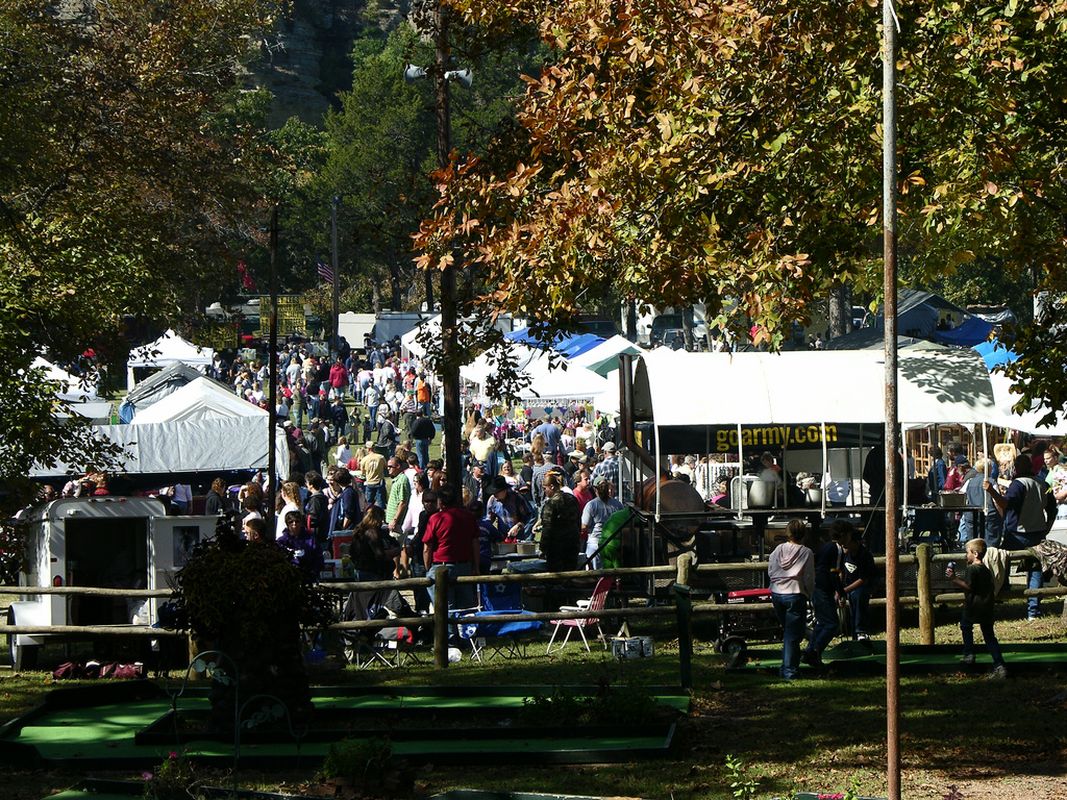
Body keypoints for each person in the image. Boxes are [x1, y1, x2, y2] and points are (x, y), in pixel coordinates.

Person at [985, 454, 1049, 620]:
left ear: (1018, 468)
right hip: (1038, 532)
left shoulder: (1018, 484)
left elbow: (1006, 504)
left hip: (1018, 533)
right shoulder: (1042, 483)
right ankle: (1033, 611)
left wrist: (992, 491)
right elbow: (1052, 509)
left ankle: (1000, 592)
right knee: (1035, 570)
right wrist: (1047, 527)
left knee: (1001, 560)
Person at [946, 538, 1007, 679]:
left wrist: (954, 578)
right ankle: (999, 664)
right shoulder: (985, 569)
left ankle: (969, 654)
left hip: (973, 606)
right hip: (987, 606)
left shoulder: (972, 569)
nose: (966, 555)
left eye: (968, 553)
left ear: (975, 554)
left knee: (966, 626)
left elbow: (969, 586)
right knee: (989, 636)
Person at [767, 519, 814, 681]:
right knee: (793, 635)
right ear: (804, 534)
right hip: (795, 593)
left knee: (788, 632)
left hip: (777, 592)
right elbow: (808, 577)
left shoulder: (778, 549)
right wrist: (810, 593)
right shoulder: (806, 552)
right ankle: (790, 671)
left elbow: (770, 568)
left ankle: (784, 667)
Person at [423, 484, 481, 610]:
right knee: (465, 609)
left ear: (441, 501)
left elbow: (427, 547)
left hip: (441, 566)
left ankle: (449, 631)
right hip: (464, 566)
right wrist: (476, 566)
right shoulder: (469, 517)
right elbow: (475, 543)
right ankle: (463, 630)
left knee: (444, 609)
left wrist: (428, 568)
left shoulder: (436, 519)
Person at [802, 520, 848, 669]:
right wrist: (841, 592)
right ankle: (814, 651)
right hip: (823, 588)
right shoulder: (837, 549)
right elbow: (834, 574)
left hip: (816, 587)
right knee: (831, 623)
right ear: (843, 535)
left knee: (822, 622)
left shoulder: (825, 546)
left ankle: (810, 650)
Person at [539, 471, 582, 572]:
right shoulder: (572, 499)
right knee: (571, 574)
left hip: (556, 547)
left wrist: (543, 548)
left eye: (545, 488)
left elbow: (547, 528)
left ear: (552, 486)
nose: (544, 491)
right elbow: (578, 520)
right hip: (573, 543)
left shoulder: (551, 504)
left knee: (556, 579)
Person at [841, 523, 876, 641]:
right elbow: (840, 572)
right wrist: (839, 590)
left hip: (862, 587)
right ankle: (853, 634)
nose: (845, 544)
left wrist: (844, 590)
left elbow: (863, 579)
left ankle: (861, 631)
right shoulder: (844, 555)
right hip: (847, 587)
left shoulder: (865, 555)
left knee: (858, 596)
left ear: (856, 542)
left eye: (848, 541)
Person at [581, 475, 623, 570]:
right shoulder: (618, 504)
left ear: (595, 489)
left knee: (594, 576)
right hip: (613, 543)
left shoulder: (591, 505)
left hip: (595, 544)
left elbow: (584, 526)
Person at [278, 510, 323, 577]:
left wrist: (314, 572)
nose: (294, 524)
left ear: (301, 523)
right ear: (287, 524)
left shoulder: (310, 538)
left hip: (308, 575)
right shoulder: (282, 541)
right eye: (291, 522)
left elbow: (318, 557)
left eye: (297, 521)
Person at [327, 469, 361, 538]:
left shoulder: (348, 493)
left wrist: (343, 528)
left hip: (349, 529)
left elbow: (348, 513)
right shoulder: (348, 491)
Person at [385, 456, 411, 537]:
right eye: (387, 467)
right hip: (392, 522)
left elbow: (402, 503)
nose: (388, 469)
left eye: (390, 466)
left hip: (397, 524)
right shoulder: (396, 479)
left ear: (398, 466)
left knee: (397, 547)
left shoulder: (402, 480)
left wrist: (395, 520)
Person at [360, 443, 387, 508]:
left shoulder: (364, 459)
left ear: (368, 449)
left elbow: (362, 472)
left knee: (369, 503)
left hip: (369, 482)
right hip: (379, 481)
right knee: (381, 502)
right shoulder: (381, 457)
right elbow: (385, 466)